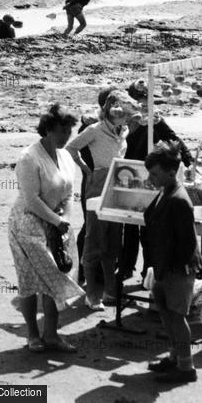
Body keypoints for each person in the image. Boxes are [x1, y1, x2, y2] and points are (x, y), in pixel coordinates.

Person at [8, 104, 84, 353]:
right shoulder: (29, 157)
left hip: (56, 221)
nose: (66, 137)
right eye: (62, 131)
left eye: (69, 131)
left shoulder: (64, 156)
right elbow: (32, 199)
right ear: (48, 129)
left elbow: (69, 192)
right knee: (32, 279)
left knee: (58, 273)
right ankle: (32, 334)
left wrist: (66, 219)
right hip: (27, 223)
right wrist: (57, 220)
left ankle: (51, 333)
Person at [66, 90, 139, 310]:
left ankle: (108, 291)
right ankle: (91, 295)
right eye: (122, 115)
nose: (125, 119)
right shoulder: (95, 130)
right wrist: (87, 170)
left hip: (118, 183)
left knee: (114, 241)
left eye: (126, 116)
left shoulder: (123, 130)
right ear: (111, 113)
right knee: (94, 239)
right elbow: (71, 147)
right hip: (98, 182)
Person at [120, 79, 193, 281]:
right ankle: (126, 266)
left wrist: (188, 161)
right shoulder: (124, 122)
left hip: (148, 177)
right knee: (128, 224)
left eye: (146, 103)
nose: (143, 107)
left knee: (147, 224)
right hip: (126, 175)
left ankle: (148, 269)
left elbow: (174, 139)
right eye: (140, 103)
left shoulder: (156, 121)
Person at [144, 142, 202, 383]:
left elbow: (187, 243)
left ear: (170, 173)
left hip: (176, 269)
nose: (150, 178)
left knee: (177, 316)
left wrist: (171, 270)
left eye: (154, 174)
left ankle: (186, 368)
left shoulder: (178, 199)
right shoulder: (165, 191)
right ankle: (174, 356)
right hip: (165, 267)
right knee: (166, 312)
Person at [75, 87, 112, 284]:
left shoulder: (117, 127)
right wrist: (88, 171)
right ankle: (82, 270)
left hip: (109, 183)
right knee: (90, 227)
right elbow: (73, 148)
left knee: (105, 228)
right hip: (93, 184)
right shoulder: (92, 127)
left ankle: (98, 273)